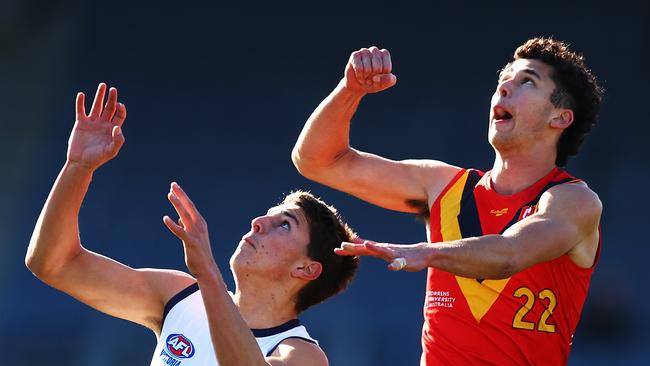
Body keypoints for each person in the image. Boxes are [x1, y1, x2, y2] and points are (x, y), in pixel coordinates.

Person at [292, 37, 604, 365]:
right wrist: (349, 90)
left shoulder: (574, 201)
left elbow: (510, 255)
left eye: (527, 81)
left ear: (560, 118)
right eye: (504, 79)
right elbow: (316, 160)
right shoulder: (443, 186)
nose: (505, 87)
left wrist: (426, 252)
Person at [25, 83, 359, 366]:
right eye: (269, 214)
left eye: (284, 224)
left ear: (306, 269)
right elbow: (53, 264)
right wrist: (78, 167)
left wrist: (208, 273)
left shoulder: (301, 354)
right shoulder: (180, 297)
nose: (259, 223)